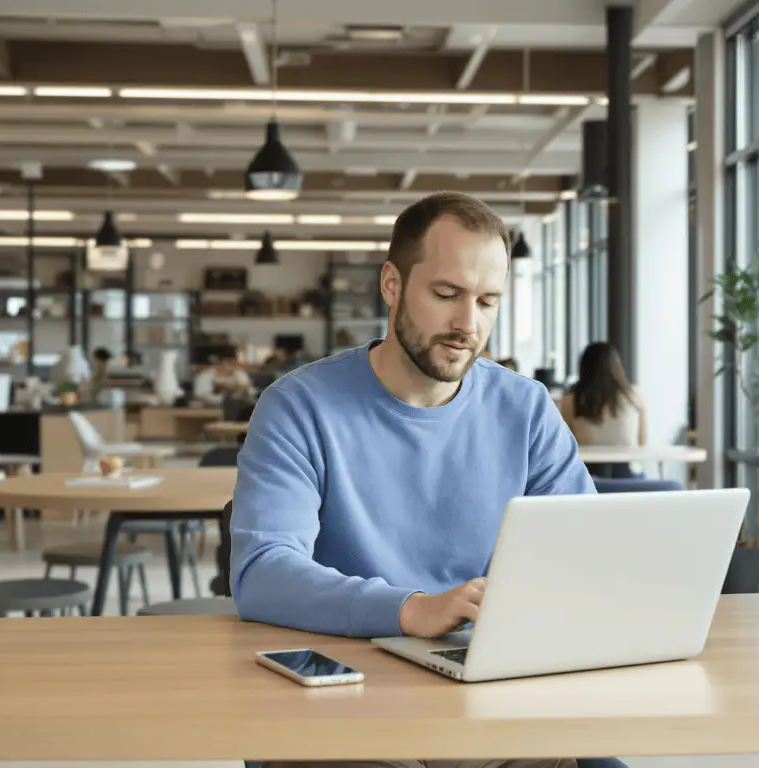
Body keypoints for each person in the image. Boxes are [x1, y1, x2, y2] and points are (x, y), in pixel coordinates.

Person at [231, 192, 621, 768]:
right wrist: (409, 608)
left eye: (488, 301)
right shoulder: (299, 407)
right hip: (350, 699)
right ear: (392, 285)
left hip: (491, 695)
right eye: (446, 295)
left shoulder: (526, 409)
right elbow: (262, 575)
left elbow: (585, 551)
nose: (469, 324)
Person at [560, 342, 646, 479]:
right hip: (629, 479)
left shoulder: (570, 400)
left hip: (588, 478)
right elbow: (641, 441)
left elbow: (566, 443)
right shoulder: (634, 395)